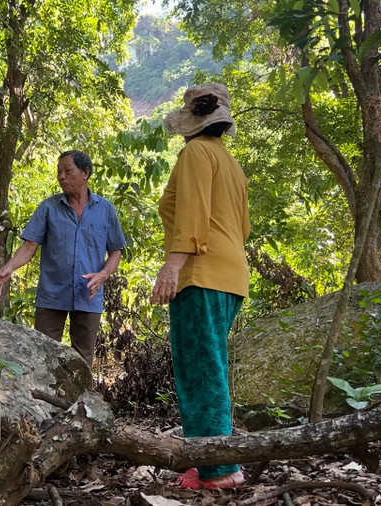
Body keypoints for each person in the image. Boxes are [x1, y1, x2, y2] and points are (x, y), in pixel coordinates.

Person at [150, 83, 250, 490]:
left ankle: (219, 469)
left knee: (201, 371)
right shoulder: (230, 162)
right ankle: (210, 459)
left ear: (192, 123)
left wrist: (171, 268)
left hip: (201, 274)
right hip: (231, 275)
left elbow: (191, 218)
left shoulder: (194, 154)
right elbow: (241, 227)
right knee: (210, 365)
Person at [0, 150, 126, 366]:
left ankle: (79, 401)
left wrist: (103, 274)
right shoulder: (49, 207)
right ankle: (42, 400)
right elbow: (29, 245)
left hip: (88, 296)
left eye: (68, 171)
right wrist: (9, 268)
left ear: (85, 173)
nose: (61, 176)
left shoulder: (105, 209)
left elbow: (116, 251)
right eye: (59, 172)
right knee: (43, 356)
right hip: (52, 295)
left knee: (83, 361)